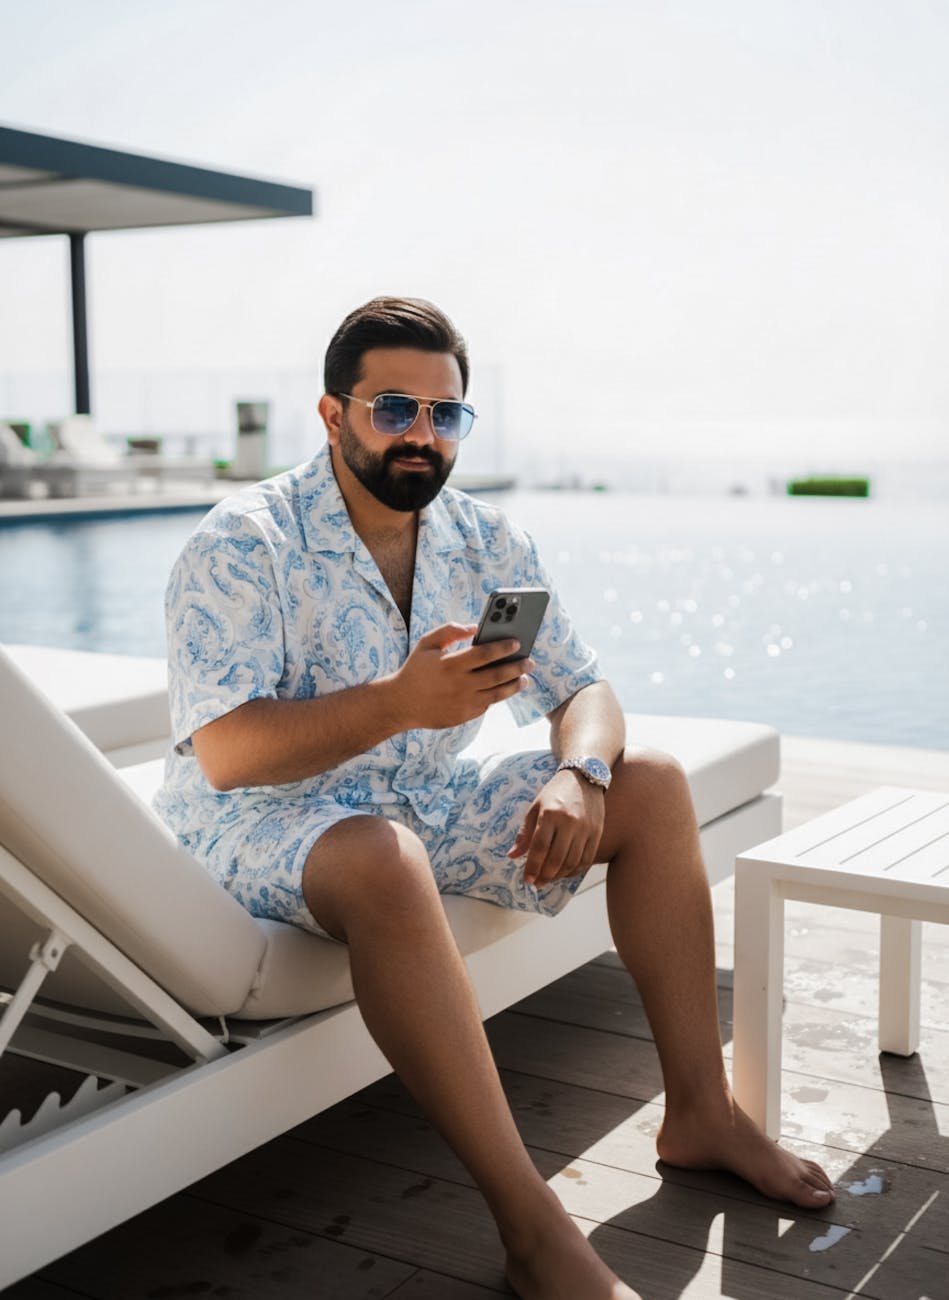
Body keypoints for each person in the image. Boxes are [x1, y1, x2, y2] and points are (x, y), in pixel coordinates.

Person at [155, 297, 835, 1300]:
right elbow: (225, 751)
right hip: (264, 819)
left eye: (446, 414)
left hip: (420, 798)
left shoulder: (482, 541)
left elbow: (586, 690)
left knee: (647, 783)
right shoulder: (245, 542)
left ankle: (700, 1111)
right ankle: (532, 1227)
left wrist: (577, 772)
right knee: (386, 858)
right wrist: (397, 702)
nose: (423, 435)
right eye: (395, 409)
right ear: (333, 415)